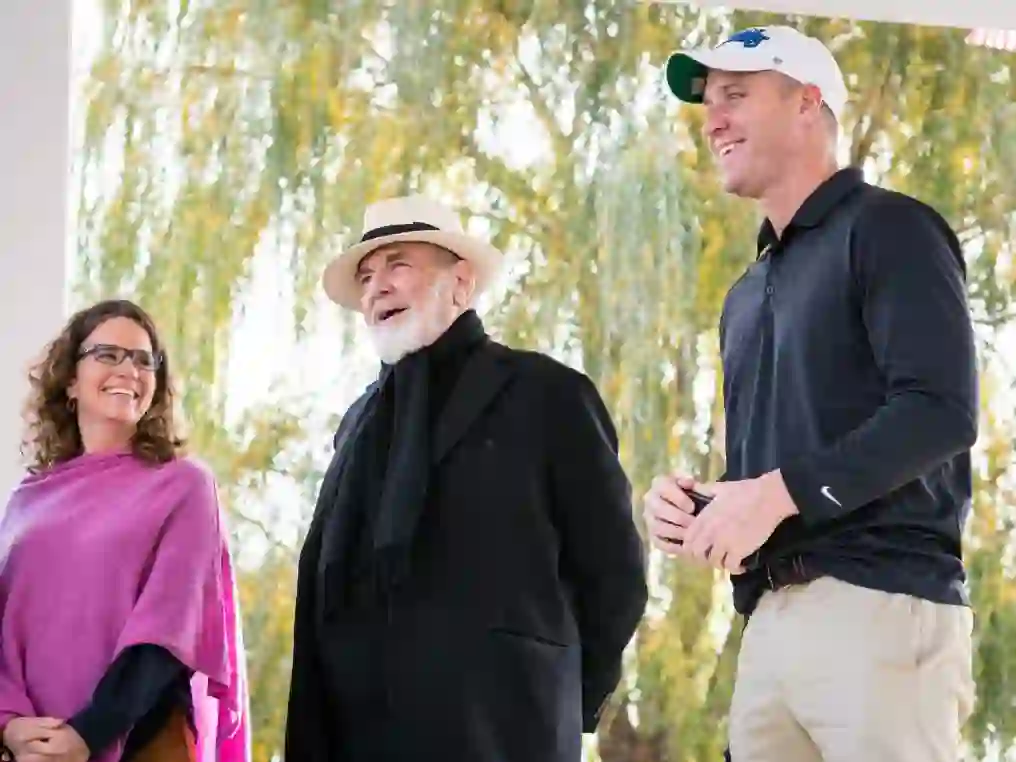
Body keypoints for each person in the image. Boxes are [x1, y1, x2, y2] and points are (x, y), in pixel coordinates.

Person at [644, 26, 978, 762]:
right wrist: (704, 508)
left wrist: (773, 494)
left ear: (807, 104)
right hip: (768, 625)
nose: (714, 119)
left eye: (736, 94)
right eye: (708, 104)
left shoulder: (892, 229)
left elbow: (939, 410)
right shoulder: (745, 293)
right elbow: (779, 469)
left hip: (881, 609)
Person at [285, 195, 648, 762]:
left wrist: (556, 698)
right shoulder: (355, 425)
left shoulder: (547, 395)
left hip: (503, 732)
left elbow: (614, 573)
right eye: (366, 274)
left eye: (398, 263)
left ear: (460, 283)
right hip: (355, 734)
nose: (377, 285)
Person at [0, 299, 250, 762]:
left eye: (143, 359)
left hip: (140, 738)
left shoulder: (185, 485)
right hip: (28, 747)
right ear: (71, 380)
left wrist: (87, 734)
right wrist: (12, 727)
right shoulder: (26, 499)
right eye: (108, 354)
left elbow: (172, 628)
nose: (129, 370)